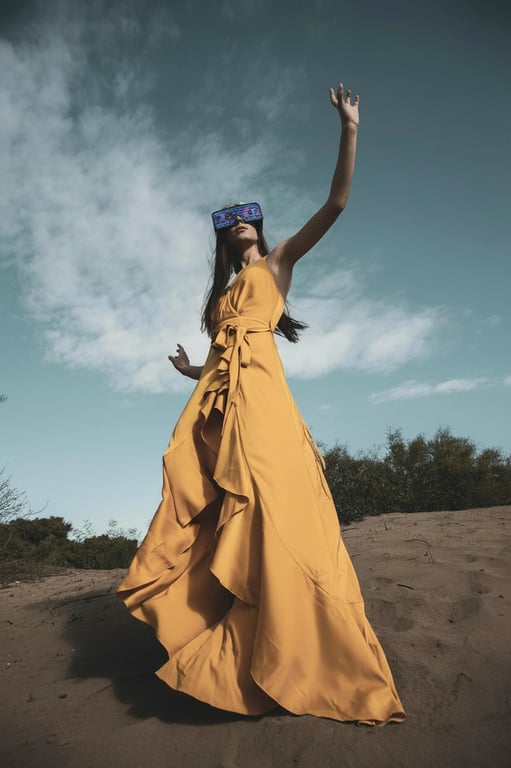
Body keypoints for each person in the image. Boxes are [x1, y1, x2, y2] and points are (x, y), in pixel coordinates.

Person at [117, 84, 406, 724]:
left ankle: (295, 636)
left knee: (271, 499)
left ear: (261, 226)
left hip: (265, 397)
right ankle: (227, 620)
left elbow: (336, 204)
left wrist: (350, 128)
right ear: (223, 238)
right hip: (221, 402)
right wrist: (191, 370)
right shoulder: (221, 297)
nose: (240, 221)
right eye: (230, 220)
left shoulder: (277, 264)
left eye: (248, 214)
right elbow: (222, 357)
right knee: (220, 502)